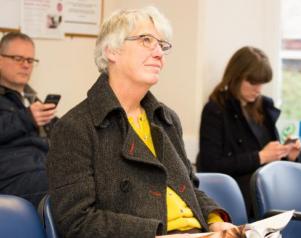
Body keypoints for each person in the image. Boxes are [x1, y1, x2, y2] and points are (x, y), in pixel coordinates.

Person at [47, 6, 237, 238]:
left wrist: (216, 221)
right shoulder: (75, 127)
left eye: (162, 45)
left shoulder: (166, 118)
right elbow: (76, 222)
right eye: (146, 40)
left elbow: (189, 188)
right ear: (111, 51)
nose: (159, 53)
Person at [196, 46, 301, 216]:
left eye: (262, 83)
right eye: (252, 82)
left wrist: (288, 155)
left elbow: (270, 155)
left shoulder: (263, 108)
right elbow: (211, 165)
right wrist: (261, 157)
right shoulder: (215, 110)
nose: (258, 89)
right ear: (235, 77)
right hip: (236, 192)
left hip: (265, 187)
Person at [0, 32, 57, 207]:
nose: (26, 65)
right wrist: (27, 117)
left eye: (30, 60)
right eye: (18, 58)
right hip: (12, 176)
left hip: (43, 168)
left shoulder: (32, 99)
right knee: (68, 189)